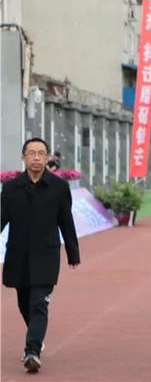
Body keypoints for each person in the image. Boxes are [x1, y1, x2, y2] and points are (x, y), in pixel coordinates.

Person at [1, 138, 80, 373]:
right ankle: (35, 336)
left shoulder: (58, 187)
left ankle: (32, 351)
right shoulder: (12, 187)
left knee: (39, 303)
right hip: (18, 254)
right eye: (32, 153)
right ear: (24, 157)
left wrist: (73, 253)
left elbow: (66, 221)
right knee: (25, 302)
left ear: (47, 158)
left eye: (41, 154)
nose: (36, 158)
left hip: (46, 255)